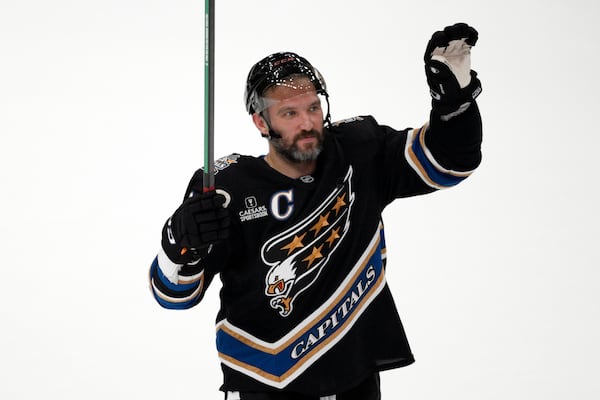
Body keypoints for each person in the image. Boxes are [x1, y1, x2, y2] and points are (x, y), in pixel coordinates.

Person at [149, 22, 483, 400]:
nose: (308, 122)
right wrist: (179, 240)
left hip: (355, 375)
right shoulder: (228, 189)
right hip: (269, 381)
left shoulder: (358, 151)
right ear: (261, 122)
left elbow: (449, 163)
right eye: (289, 113)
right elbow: (173, 294)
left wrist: (455, 104)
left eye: (312, 107)